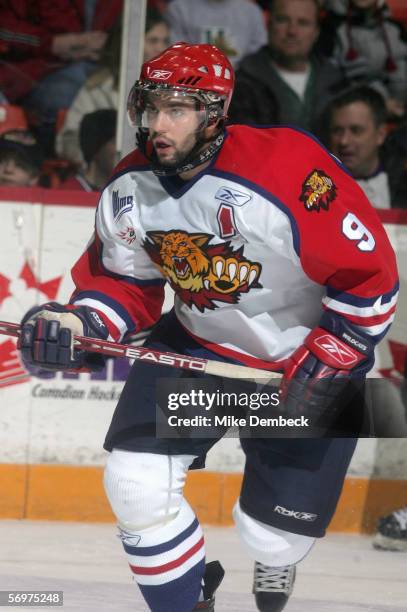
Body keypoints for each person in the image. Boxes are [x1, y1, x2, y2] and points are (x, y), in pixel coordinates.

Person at [19, 43, 398, 612]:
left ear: (214, 111)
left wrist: (339, 349)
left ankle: (275, 556)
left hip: (298, 364)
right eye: (151, 108)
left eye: (177, 109)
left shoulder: (286, 169)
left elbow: (370, 275)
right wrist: (80, 323)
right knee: (135, 483)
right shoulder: (131, 187)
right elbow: (126, 285)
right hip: (199, 346)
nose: (158, 125)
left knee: (272, 535)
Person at [56, 7, 170, 164]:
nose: (161, 49)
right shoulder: (100, 87)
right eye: (152, 41)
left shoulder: (177, 89)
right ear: (130, 43)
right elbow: (69, 139)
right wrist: (98, 166)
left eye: (165, 41)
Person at [234, 0, 346, 132]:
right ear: (268, 24)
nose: (292, 31)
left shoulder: (336, 82)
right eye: (283, 20)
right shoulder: (243, 83)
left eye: (303, 23)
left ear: (316, 32)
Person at [318, 0, 407, 118]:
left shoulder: (394, 28)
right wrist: (379, 103)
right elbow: (329, 84)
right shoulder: (329, 31)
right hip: (350, 119)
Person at [326, 85, 407, 208]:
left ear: (380, 134)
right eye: (337, 131)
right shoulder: (314, 189)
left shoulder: (402, 182)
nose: (344, 141)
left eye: (356, 130)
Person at [165, 0, 267, 66]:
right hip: (192, 79)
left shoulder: (251, 11)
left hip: (243, 81)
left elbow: (259, 52)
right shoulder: (179, 8)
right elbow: (176, 51)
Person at [58, 109, 117, 191]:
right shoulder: (67, 193)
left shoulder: (126, 193)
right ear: (95, 147)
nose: (119, 150)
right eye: (114, 142)